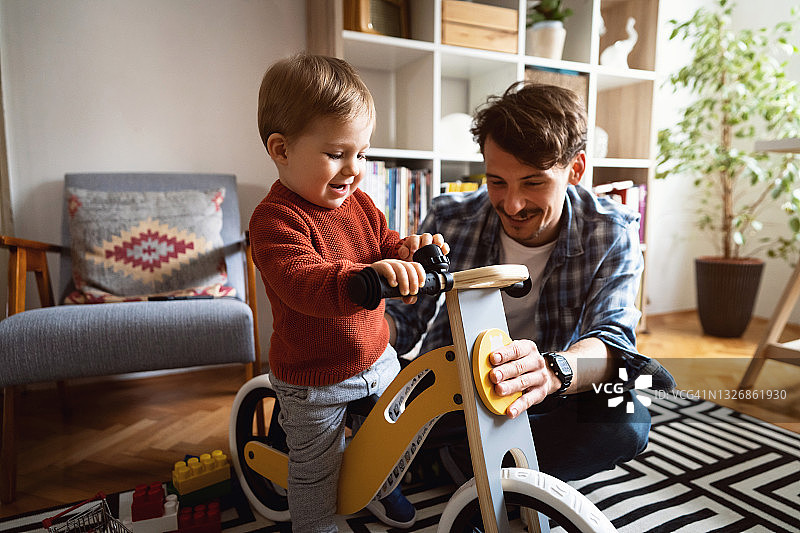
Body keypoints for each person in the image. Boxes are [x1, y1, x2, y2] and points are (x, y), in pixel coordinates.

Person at [387, 82, 675, 484]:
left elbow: (612, 343)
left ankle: (454, 465)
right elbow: (404, 321)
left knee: (625, 423)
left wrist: (552, 372)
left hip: (549, 393)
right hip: (452, 393)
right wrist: (352, 327)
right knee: (383, 396)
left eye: (533, 182)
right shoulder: (450, 219)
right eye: (497, 181)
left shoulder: (610, 231)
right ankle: (484, 467)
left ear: (575, 169)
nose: (512, 204)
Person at [249, 53, 449, 532]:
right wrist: (361, 279)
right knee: (316, 470)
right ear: (280, 149)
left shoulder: (358, 202)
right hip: (313, 378)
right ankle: (315, 524)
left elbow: (383, 245)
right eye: (337, 154)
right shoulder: (274, 221)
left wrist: (410, 251)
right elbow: (304, 284)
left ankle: (380, 485)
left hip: (377, 357)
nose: (353, 169)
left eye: (361, 153)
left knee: (396, 434)